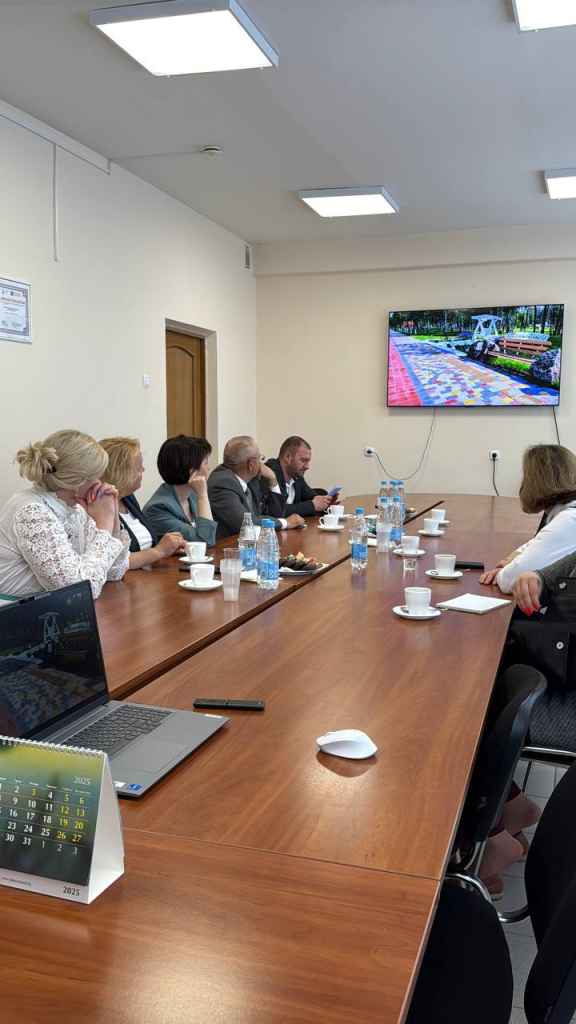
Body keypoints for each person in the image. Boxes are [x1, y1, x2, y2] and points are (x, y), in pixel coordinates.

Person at [0, 430, 129, 600]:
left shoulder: (75, 508)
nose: (100, 483)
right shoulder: (32, 512)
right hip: (15, 612)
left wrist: (112, 516)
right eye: (97, 476)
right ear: (78, 480)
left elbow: (114, 572)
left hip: (49, 609)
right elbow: (78, 592)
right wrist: (103, 526)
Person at [480, 444, 576, 593]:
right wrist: (509, 562)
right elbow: (538, 541)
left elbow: (511, 581)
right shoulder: (567, 514)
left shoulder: (568, 520)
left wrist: (502, 573)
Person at [99, 437, 185, 569]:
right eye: (138, 467)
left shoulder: (128, 498)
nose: (143, 470)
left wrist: (168, 546)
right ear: (120, 471)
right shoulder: (100, 506)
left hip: (148, 575)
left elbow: (146, 545)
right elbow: (115, 562)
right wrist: (159, 551)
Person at [208, 435, 305, 540]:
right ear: (251, 465)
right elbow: (246, 524)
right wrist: (285, 523)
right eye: (260, 458)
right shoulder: (222, 482)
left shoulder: (250, 479)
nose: (261, 463)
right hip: (226, 546)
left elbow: (275, 514)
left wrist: (273, 480)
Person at [143, 435, 217, 546]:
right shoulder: (158, 508)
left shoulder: (192, 495)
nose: (209, 468)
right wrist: (203, 495)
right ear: (191, 469)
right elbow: (205, 541)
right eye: (205, 463)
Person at [265, 436, 339, 518]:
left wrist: (325, 501)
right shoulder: (269, 475)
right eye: (303, 460)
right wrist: (312, 505)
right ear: (287, 457)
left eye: (308, 461)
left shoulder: (296, 475)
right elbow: (275, 511)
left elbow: (310, 496)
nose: (307, 466)